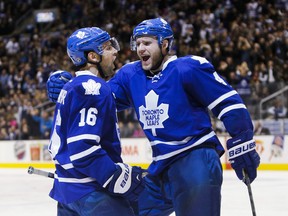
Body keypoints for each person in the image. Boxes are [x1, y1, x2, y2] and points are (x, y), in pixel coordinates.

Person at [47, 18, 260, 216]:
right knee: (126, 207)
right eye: (138, 43)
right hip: (159, 169)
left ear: (165, 44)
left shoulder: (188, 68)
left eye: (147, 43)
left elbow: (227, 101)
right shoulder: (130, 75)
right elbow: (98, 94)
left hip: (194, 160)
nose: (140, 49)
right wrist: (70, 85)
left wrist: (242, 138)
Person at [47, 27, 145, 216]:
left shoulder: (71, 87)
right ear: (93, 56)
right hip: (92, 192)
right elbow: (83, 148)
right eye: (108, 48)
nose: (115, 51)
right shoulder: (93, 87)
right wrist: (114, 176)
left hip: (67, 193)